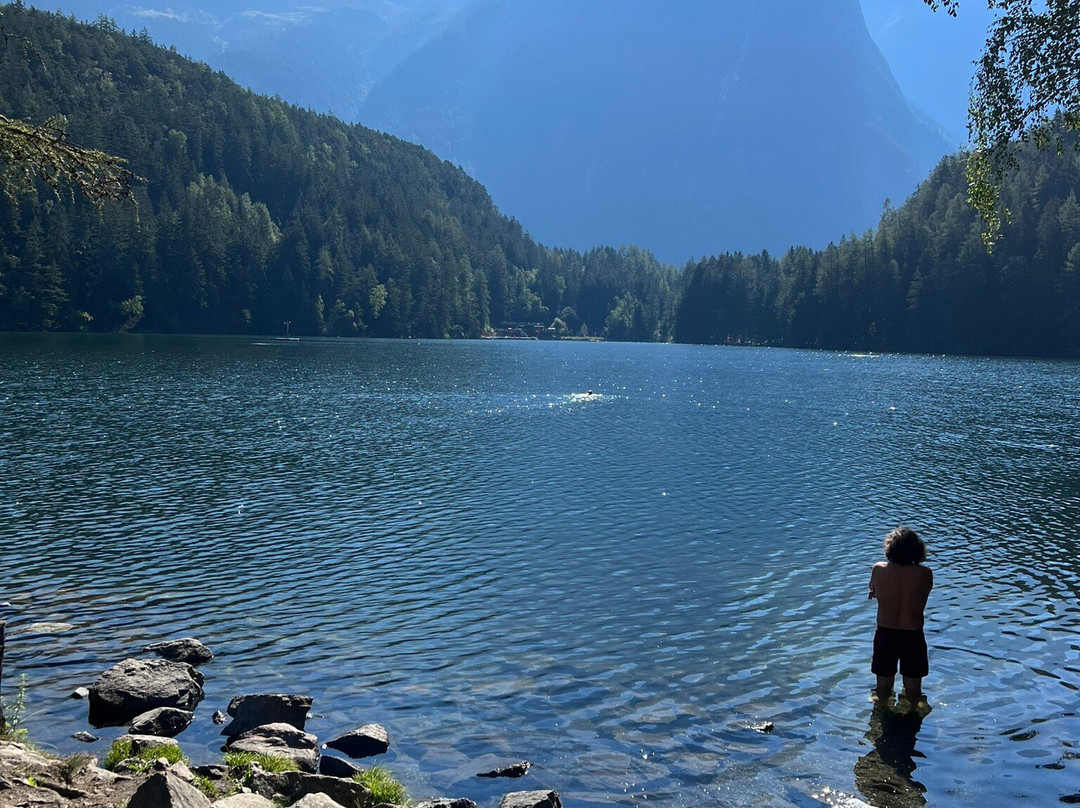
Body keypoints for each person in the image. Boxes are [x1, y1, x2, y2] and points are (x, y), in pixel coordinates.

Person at [868, 526, 933, 705]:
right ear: (917, 549)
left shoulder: (879, 569)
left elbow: (873, 588)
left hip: (885, 634)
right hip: (913, 635)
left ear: (890, 549)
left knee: (883, 687)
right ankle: (912, 718)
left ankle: (880, 718)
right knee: (913, 690)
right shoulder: (924, 574)